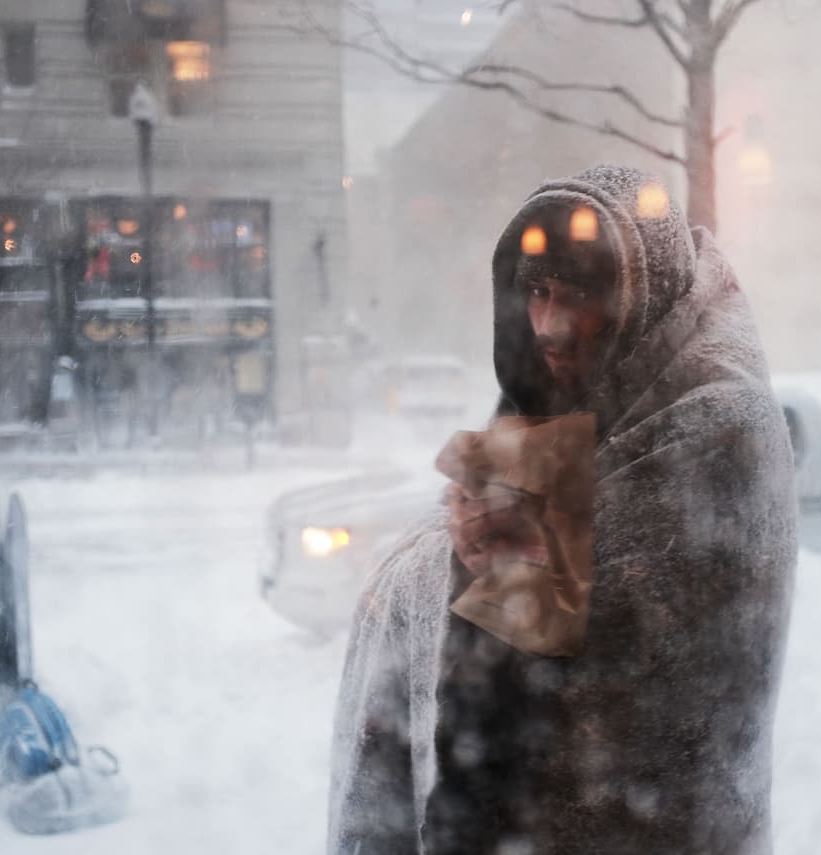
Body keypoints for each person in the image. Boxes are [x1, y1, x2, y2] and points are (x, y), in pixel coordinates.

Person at [328, 165, 797, 855]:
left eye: (578, 296)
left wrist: (471, 550)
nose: (548, 325)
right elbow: (495, 595)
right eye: (537, 294)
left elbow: (572, 640)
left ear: (639, 295)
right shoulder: (577, 396)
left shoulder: (718, 425)